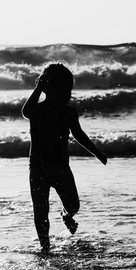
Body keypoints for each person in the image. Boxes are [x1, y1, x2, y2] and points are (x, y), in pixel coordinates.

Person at [22, 62, 107, 253]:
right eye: (64, 89)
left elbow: (79, 135)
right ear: (49, 89)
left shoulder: (68, 112)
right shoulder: (38, 110)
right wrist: (38, 89)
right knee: (40, 211)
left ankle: (66, 215)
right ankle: (46, 248)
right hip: (38, 168)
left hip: (61, 168)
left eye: (70, 89)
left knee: (73, 205)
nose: (68, 94)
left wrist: (96, 152)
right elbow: (26, 112)